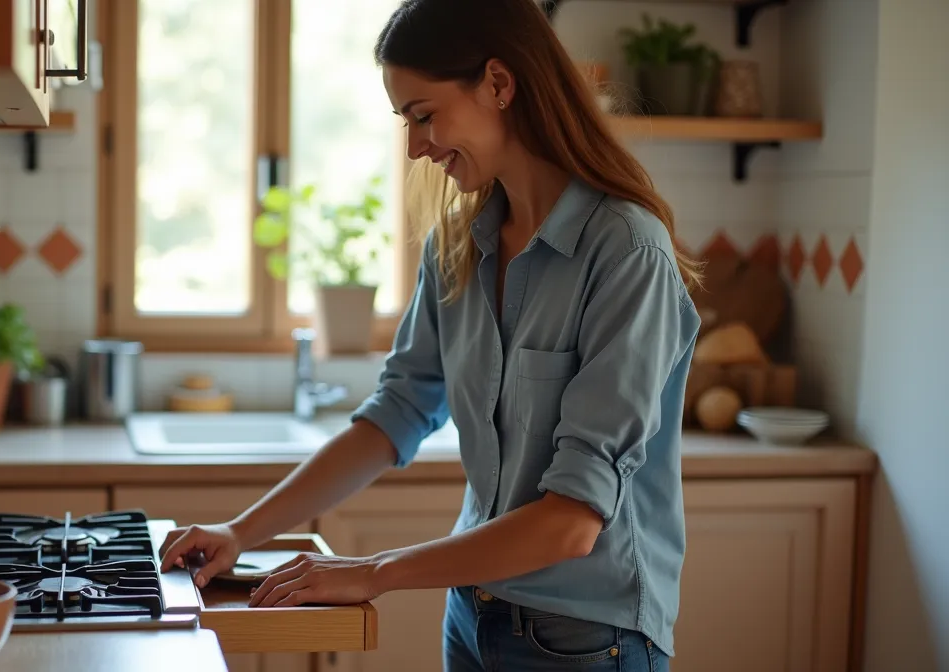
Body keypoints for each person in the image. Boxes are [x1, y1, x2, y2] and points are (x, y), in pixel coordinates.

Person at [159, 0, 703, 669]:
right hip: (473, 618)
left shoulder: (624, 252)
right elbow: (396, 414)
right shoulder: (457, 245)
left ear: (499, 85)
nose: (416, 146)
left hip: (587, 640)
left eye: (424, 116)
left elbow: (571, 521)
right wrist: (241, 532)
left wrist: (375, 571)